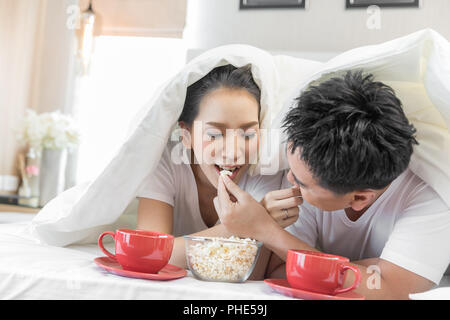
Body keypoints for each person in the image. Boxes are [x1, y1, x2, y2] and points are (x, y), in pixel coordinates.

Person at [214, 70, 450, 299]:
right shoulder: (308, 167)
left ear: (360, 198)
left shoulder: (433, 197)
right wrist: (365, 269)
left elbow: (392, 292)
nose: (289, 180)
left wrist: (265, 231)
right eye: (291, 170)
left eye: (303, 184)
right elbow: (280, 271)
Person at [136, 65, 300, 278]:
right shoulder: (165, 163)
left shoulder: (265, 170)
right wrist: (249, 223)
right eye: (214, 134)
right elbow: (147, 253)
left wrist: (253, 224)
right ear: (186, 135)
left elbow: (251, 272)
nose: (233, 151)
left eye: (248, 134)